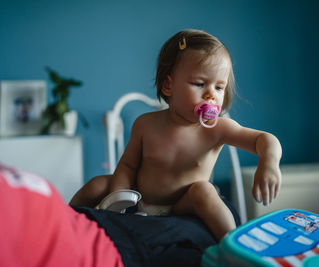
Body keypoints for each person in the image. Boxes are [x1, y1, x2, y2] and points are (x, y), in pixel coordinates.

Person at [70, 29, 282, 241]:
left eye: (219, 87)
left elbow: (264, 140)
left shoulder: (218, 128)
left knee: (204, 191)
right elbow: (128, 167)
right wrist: (117, 199)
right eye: (199, 84)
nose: (211, 95)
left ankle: (234, 245)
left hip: (184, 204)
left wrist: (269, 162)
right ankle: (64, 220)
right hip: (141, 200)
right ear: (168, 85)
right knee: (98, 184)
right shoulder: (145, 124)